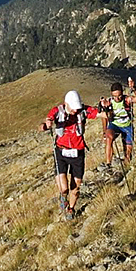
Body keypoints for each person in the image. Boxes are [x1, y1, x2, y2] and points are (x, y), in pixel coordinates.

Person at [41, 90, 100, 220]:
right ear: (66, 104)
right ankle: (63, 196)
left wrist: (106, 109)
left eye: (77, 108)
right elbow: (46, 122)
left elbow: (99, 113)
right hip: (61, 152)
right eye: (73, 108)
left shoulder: (83, 111)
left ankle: (71, 208)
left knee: (76, 186)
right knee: (64, 188)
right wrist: (46, 125)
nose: (75, 111)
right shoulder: (57, 111)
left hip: (77, 153)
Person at [99, 78, 136, 168]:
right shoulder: (109, 102)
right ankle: (108, 163)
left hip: (127, 125)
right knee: (108, 138)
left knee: (128, 150)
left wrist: (134, 88)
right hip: (114, 125)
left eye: (119, 95)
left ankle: (127, 164)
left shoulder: (127, 99)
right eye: (114, 96)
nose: (117, 98)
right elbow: (104, 117)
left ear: (122, 93)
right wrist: (105, 130)